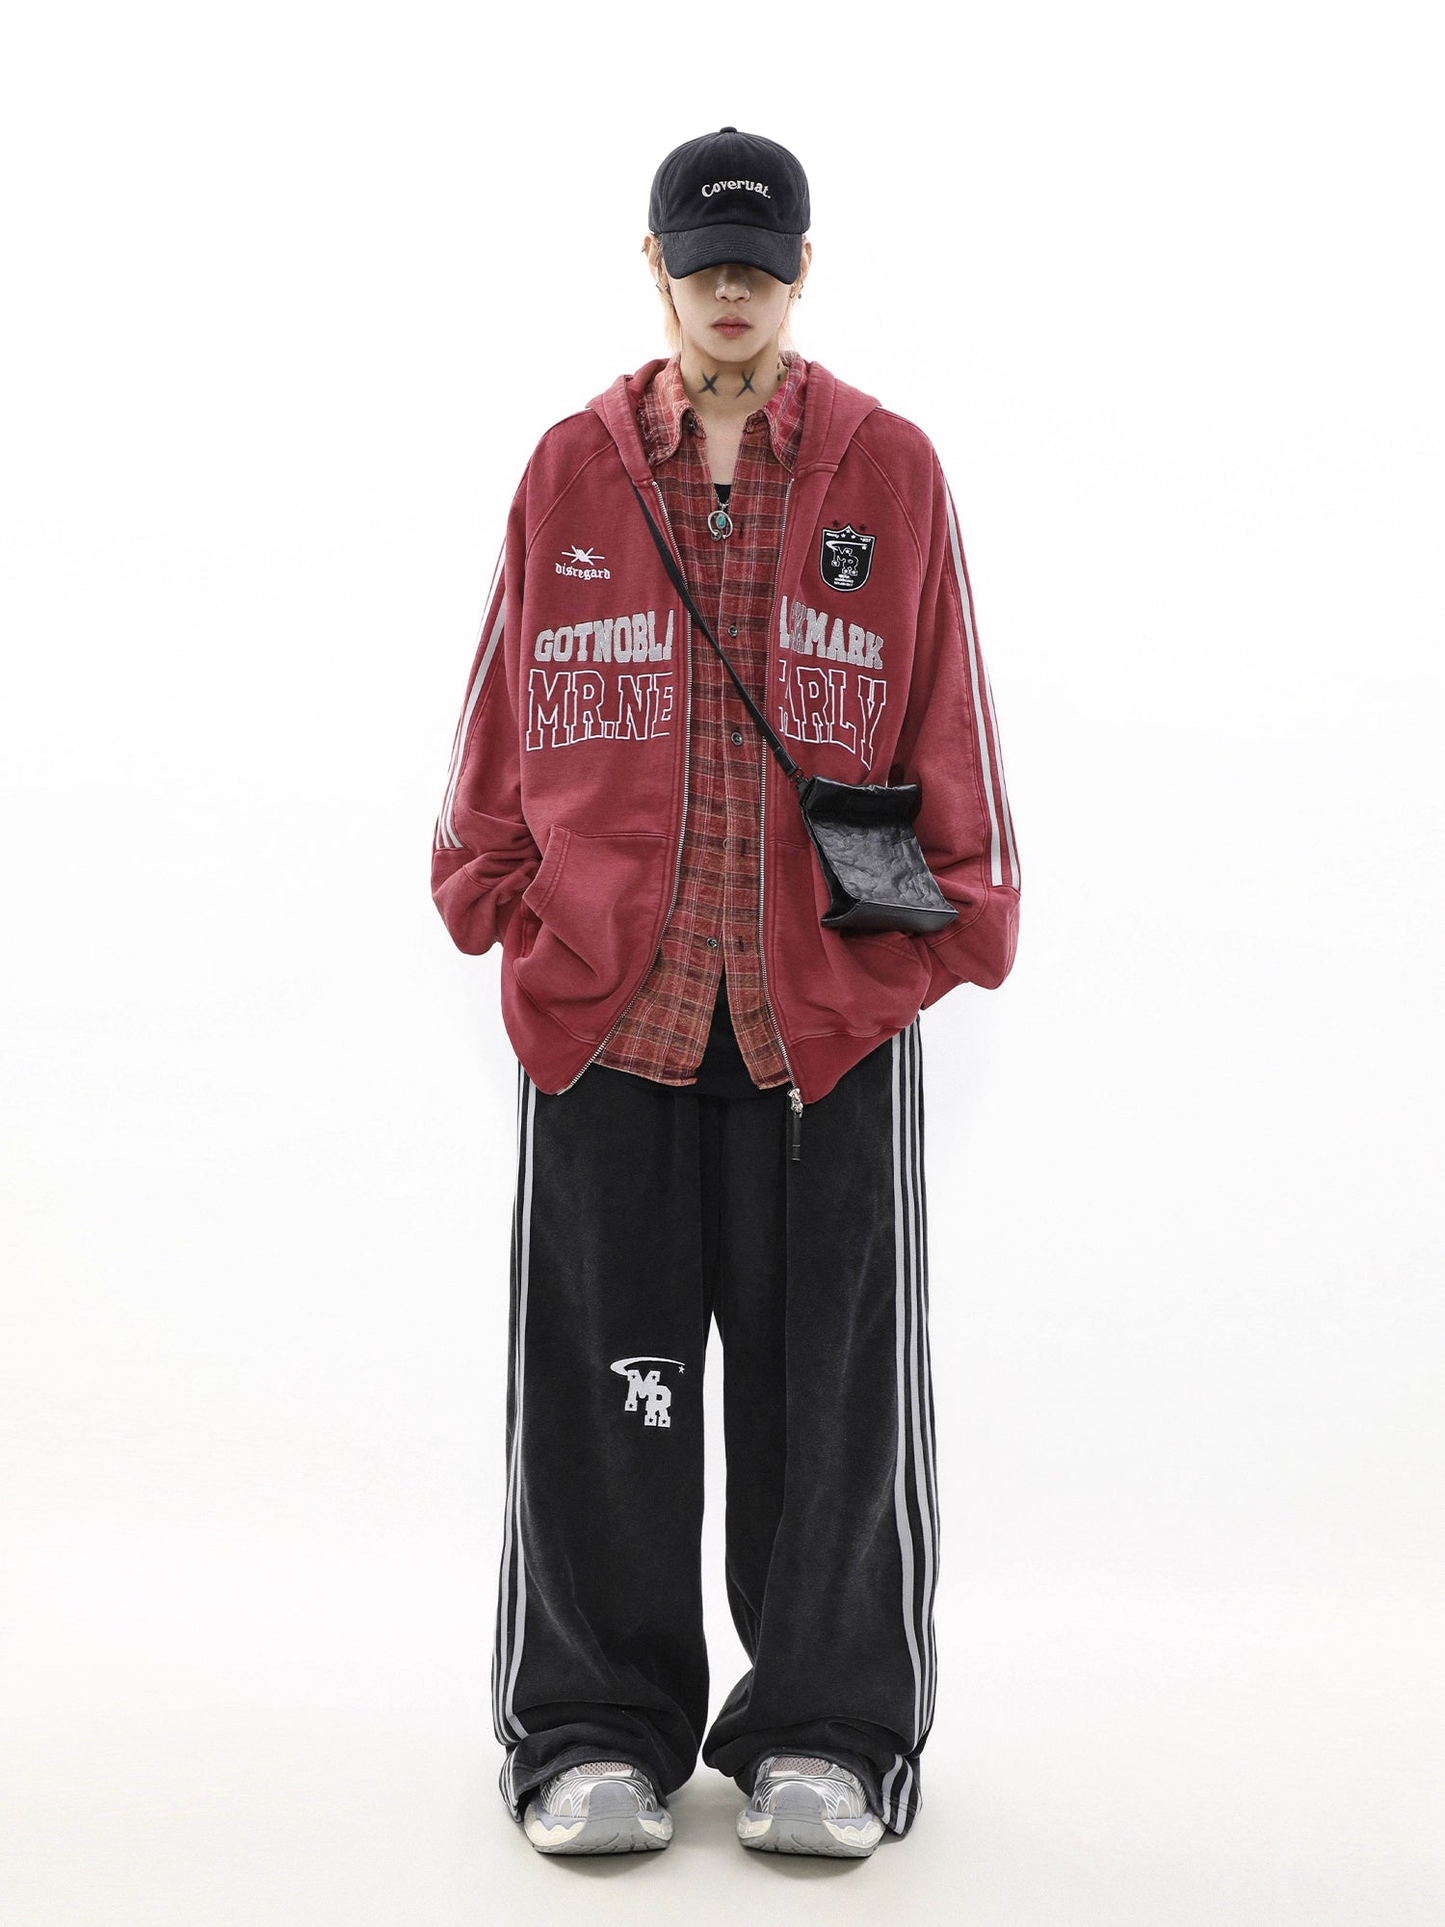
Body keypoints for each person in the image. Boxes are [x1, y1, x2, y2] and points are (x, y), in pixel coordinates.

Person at [431, 126, 1021, 1859]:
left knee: (827, 1400)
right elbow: (496, 725)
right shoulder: (571, 470)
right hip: (609, 1015)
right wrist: (518, 908)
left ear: (804, 270)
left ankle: (829, 1732)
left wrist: (926, 940)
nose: (733, 287)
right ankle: (587, 1728)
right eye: (705, 261)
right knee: (604, 1393)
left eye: (760, 261)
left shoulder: (891, 470)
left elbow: (952, 712)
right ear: (659, 268)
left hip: (821, 1024)